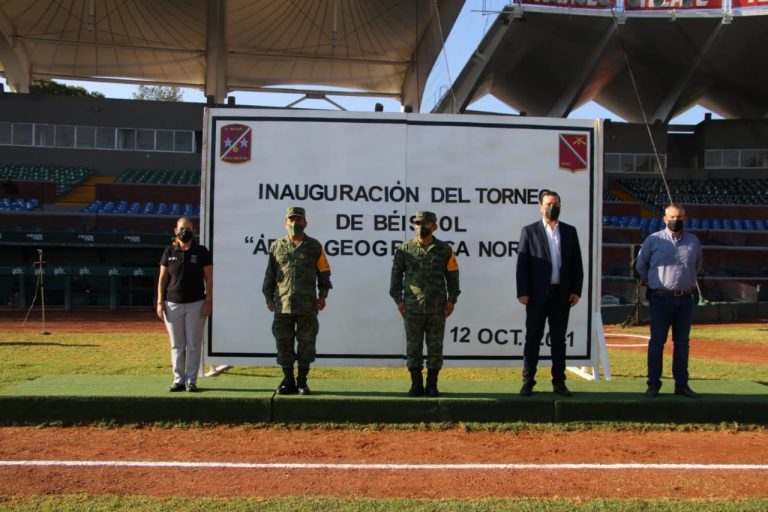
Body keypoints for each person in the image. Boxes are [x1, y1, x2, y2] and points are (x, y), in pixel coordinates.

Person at [516, 190, 583, 397]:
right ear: (540, 207)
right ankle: (528, 381)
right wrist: (523, 291)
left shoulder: (570, 232)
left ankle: (559, 382)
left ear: (560, 206)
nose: (551, 207)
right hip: (536, 295)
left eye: (555, 203)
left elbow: (577, 264)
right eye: (548, 203)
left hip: (561, 295)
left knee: (559, 340)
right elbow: (522, 264)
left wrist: (576, 290)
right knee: (533, 339)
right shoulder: (530, 231)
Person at [390, 210, 460, 397]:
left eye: (425, 223)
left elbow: (453, 277)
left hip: (437, 308)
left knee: (435, 347)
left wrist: (452, 300)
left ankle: (432, 385)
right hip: (412, 307)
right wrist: (399, 300)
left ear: (434, 226)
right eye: (418, 223)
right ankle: (415, 384)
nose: (421, 227)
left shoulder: (445, 250)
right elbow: (395, 277)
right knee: (413, 348)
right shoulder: (404, 249)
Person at [262, 206, 332, 395]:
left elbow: (324, 273)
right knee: (283, 344)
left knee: (306, 343)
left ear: (305, 223)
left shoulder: (315, 246)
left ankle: (302, 381)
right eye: (291, 220)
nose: (295, 223)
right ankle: (288, 380)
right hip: (282, 305)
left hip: (307, 305)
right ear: (285, 223)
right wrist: (268, 296)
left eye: (298, 220)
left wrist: (323, 295)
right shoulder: (276, 246)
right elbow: (270, 275)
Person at [636, 204, 703, 398]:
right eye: (672, 217)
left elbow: (697, 266)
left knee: (682, 343)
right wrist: (654, 283)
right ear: (665, 219)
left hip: (685, 299)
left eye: (680, 217)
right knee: (657, 342)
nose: (676, 220)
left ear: (686, 219)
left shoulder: (693, 241)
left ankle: (681, 385)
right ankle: (653, 384)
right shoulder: (653, 240)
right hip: (660, 298)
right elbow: (641, 265)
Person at [157, 217, 213, 392]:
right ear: (176, 230)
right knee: (177, 344)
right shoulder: (169, 251)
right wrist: (159, 302)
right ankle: (178, 379)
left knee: (194, 344)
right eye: (182, 228)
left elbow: (209, 279)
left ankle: (191, 380)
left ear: (194, 231)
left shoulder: (201, 251)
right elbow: (163, 278)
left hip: (196, 303)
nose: (185, 231)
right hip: (172, 304)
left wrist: (208, 301)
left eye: (188, 228)